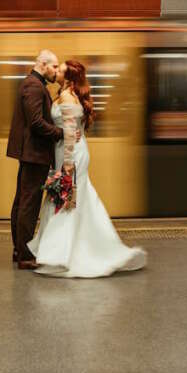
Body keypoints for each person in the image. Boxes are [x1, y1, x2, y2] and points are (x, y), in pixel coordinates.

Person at [27, 59, 147, 278]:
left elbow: (70, 134)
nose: (57, 72)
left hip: (70, 154)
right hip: (70, 151)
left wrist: (68, 168)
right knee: (75, 200)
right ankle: (70, 250)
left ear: (69, 78)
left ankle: (61, 255)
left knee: (66, 200)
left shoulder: (66, 97)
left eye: (61, 70)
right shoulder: (69, 95)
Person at [7, 50, 68, 269]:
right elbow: (36, 122)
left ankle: (19, 250)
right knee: (28, 205)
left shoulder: (31, 84)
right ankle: (25, 256)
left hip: (30, 153)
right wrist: (61, 133)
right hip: (35, 153)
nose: (56, 71)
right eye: (54, 67)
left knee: (22, 202)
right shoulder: (34, 86)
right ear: (43, 64)